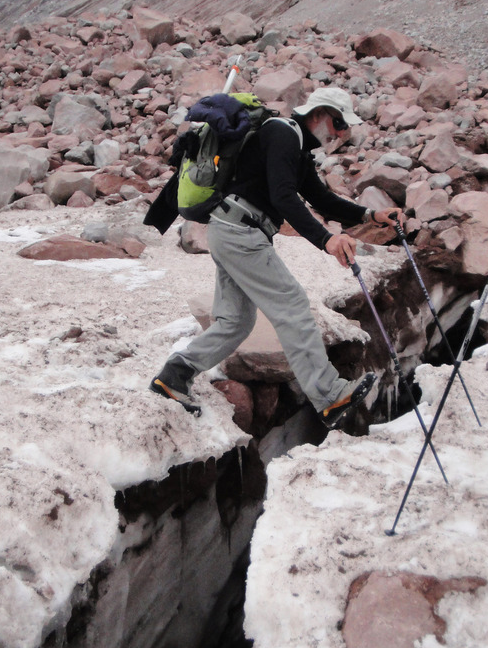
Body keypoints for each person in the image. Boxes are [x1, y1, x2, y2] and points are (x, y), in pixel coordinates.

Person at [149, 87, 397, 427]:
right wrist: (326, 240)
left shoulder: (295, 148)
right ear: (317, 114)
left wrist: (371, 216)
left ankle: (174, 376)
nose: (339, 133)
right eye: (337, 122)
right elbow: (283, 197)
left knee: (236, 322)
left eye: (344, 127)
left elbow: (322, 200)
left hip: (230, 230)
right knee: (292, 305)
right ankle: (329, 396)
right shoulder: (281, 133)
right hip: (240, 232)